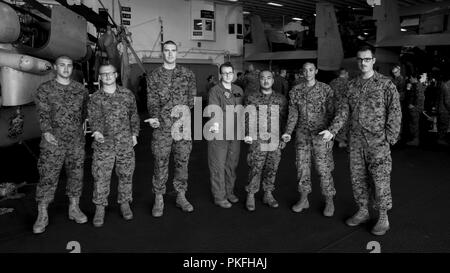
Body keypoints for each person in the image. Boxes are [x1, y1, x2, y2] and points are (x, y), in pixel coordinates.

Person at [320, 45, 402, 236]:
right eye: (360, 59)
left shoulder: (386, 84)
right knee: (358, 179)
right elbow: (343, 111)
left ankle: (383, 216)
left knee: (380, 180)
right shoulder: (351, 85)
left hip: (378, 142)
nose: (363, 63)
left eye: (367, 59)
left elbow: (395, 112)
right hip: (356, 142)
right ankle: (363, 211)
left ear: (373, 61)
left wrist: (390, 138)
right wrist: (332, 131)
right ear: (357, 62)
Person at [33, 56, 89, 234]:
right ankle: (42, 214)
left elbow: (84, 113)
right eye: (62, 65)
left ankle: (74, 208)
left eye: (69, 66)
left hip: (76, 141)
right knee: (47, 176)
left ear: (72, 68)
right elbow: (42, 114)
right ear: (55, 68)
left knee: (76, 174)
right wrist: (47, 131)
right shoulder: (45, 89)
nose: (66, 69)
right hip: (53, 141)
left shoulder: (80, 90)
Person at [145, 40, 197, 217]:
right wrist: (155, 117)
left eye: (173, 50)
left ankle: (180, 195)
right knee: (160, 161)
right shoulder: (154, 76)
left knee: (182, 161)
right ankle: (159, 197)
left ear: (177, 52)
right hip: (162, 127)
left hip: (182, 126)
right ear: (162, 53)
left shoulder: (187, 74)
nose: (169, 54)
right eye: (166, 50)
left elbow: (191, 100)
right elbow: (151, 101)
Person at [281, 62, 337, 217]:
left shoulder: (326, 89)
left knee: (323, 168)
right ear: (302, 72)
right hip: (302, 135)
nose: (308, 72)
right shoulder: (295, 91)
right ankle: (304, 198)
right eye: (305, 70)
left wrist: (332, 133)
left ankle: (329, 200)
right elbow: (293, 115)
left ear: (316, 71)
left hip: (321, 135)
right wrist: (288, 132)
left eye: (311, 69)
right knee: (302, 167)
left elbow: (333, 113)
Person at [88, 64, 140, 227]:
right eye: (104, 74)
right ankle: (100, 207)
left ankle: (124, 203)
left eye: (110, 73)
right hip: (104, 144)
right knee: (101, 177)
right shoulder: (95, 98)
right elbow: (94, 118)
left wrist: (134, 134)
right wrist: (96, 131)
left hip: (125, 142)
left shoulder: (127, 94)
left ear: (116, 75)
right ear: (100, 78)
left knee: (126, 174)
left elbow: (134, 116)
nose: (108, 76)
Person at [244, 70, 287, 211]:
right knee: (255, 167)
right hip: (257, 139)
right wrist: (247, 134)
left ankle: (268, 193)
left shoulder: (281, 99)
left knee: (272, 167)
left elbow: (284, 120)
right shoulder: (252, 98)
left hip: (274, 139)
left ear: (273, 80)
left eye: (269, 78)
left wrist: (284, 138)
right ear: (259, 80)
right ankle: (251, 194)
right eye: (263, 78)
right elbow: (246, 117)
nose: (266, 80)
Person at [206, 62, 244, 208]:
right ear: (221, 75)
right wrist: (215, 125)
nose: (228, 75)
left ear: (233, 73)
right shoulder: (215, 90)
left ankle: (229, 192)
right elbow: (214, 110)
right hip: (219, 134)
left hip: (235, 134)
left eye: (230, 72)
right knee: (218, 166)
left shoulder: (238, 90)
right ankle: (219, 196)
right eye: (225, 73)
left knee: (231, 165)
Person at [329, 68, 350, 148]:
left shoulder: (332, 82)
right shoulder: (348, 83)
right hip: (344, 107)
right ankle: (341, 141)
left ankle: (335, 139)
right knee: (344, 124)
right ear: (346, 73)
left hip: (334, 106)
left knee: (334, 122)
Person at [406, 72, 427, 146]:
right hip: (414, 108)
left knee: (414, 124)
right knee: (413, 124)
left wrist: (414, 106)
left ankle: (415, 140)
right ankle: (414, 139)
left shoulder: (417, 85)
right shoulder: (414, 85)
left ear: (414, 78)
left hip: (415, 109)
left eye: (410, 77)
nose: (409, 79)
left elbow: (420, 98)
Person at [436, 78, 450, 146]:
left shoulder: (441, 85)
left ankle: (440, 139)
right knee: (444, 125)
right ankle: (441, 140)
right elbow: (447, 101)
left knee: (440, 125)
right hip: (444, 110)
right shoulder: (447, 86)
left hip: (440, 109)